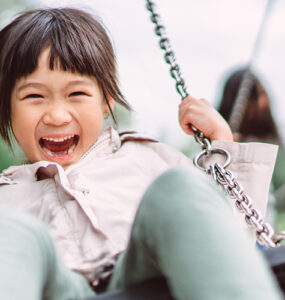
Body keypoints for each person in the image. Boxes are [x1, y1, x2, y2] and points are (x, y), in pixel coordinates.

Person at [0, 8, 282, 300]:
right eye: (34, 96)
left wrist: (223, 147)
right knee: (14, 233)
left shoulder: (148, 160)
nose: (57, 115)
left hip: (146, 282)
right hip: (54, 290)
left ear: (106, 98)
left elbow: (227, 243)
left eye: (77, 94)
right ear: (6, 107)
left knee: (180, 187)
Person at [217, 68, 285, 224]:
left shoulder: (277, 144)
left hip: (272, 228)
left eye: (263, 94)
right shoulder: (218, 144)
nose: (263, 102)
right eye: (255, 96)